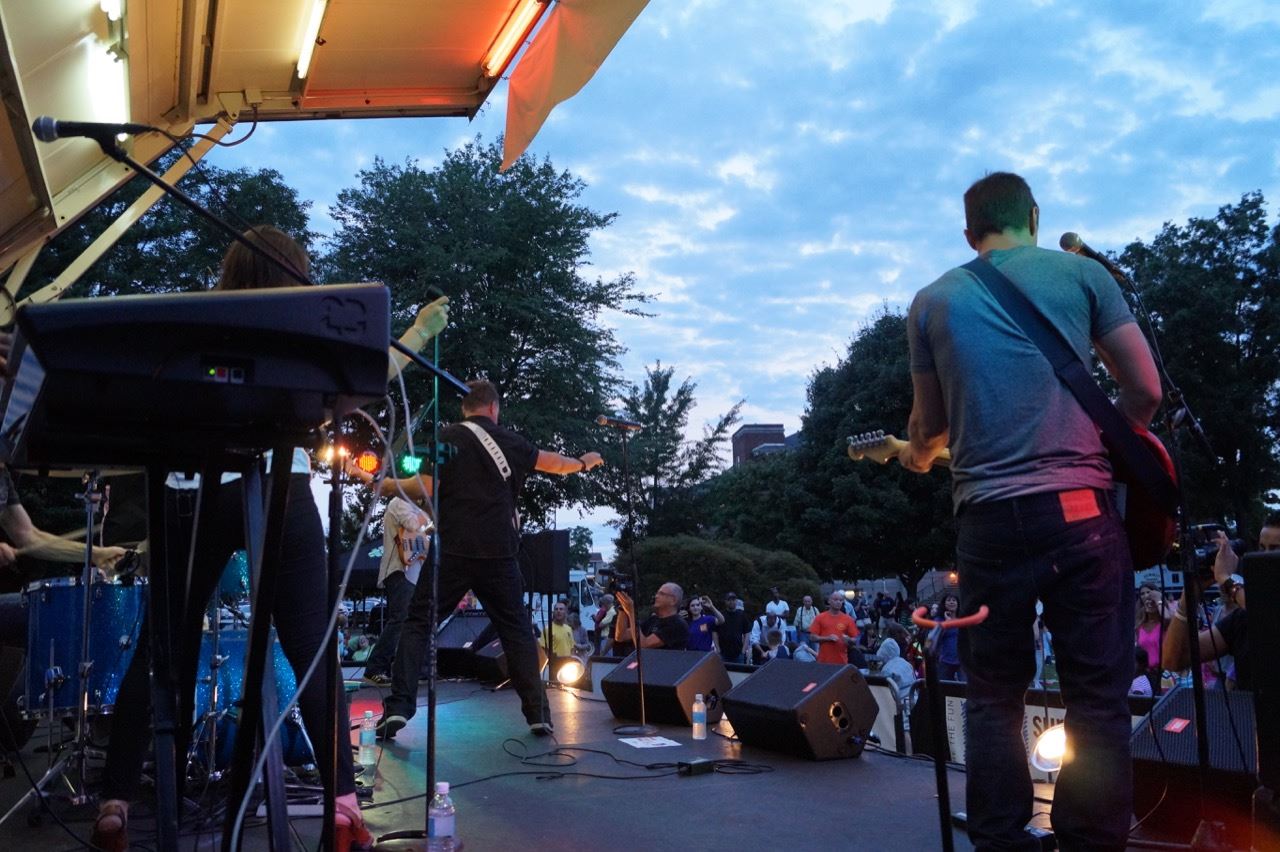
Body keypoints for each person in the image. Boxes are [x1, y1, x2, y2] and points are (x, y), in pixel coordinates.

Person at [93, 226, 448, 852]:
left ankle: (117, 799)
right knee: (311, 646)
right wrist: (417, 333)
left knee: (162, 649)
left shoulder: (194, 323)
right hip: (281, 482)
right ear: (296, 273)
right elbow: (364, 371)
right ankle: (341, 806)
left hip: (191, 488)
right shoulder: (299, 332)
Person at [899, 172, 1162, 850]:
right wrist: (1108, 450)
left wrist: (919, 453)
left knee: (993, 694)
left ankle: (999, 838)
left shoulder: (931, 302)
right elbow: (1146, 390)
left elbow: (928, 429)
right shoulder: (1084, 278)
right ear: (1035, 218)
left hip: (987, 521)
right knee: (1098, 697)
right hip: (1081, 512)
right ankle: (1089, 840)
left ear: (969, 233)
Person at [361, 380, 603, 740]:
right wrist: (583, 463)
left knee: (417, 623)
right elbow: (552, 463)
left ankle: (398, 708)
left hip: (453, 549)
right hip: (499, 552)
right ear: (493, 408)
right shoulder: (509, 441)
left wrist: (384, 483)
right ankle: (538, 715)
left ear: (465, 408)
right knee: (517, 631)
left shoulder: (447, 437)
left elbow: (425, 486)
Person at [1161, 519, 1279, 690]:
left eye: (1275, 549)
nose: (1264, 557)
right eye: (1262, 548)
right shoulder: (1242, 620)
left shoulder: (1255, 611)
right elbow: (1173, 659)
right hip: (1249, 716)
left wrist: (1225, 579)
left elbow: (1267, 615)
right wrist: (1189, 597)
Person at [360, 495, 432, 686]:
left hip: (415, 573)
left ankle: (421, 670)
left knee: (419, 618)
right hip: (399, 570)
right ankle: (374, 668)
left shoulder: (418, 507)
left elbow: (422, 536)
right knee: (399, 619)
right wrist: (429, 513)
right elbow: (412, 524)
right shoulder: (399, 502)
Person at [613, 582, 689, 651]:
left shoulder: (678, 625)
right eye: (657, 593)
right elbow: (621, 636)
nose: (656, 596)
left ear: (673, 600)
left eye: (661, 594)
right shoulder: (653, 620)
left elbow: (643, 645)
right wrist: (622, 607)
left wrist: (631, 612)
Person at [808, 591, 860, 665]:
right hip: (824, 661)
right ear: (829, 601)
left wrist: (849, 639)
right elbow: (812, 637)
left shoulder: (848, 619)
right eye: (835, 600)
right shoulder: (820, 617)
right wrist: (827, 638)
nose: (838, 602)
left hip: (842, 661)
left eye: (840, 600)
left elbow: (855, 640)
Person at [715, 592, 751, 664]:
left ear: (736, 601)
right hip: (723, 653)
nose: (731, 602)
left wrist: (743, 650)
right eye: (729, 600)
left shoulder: (742, 615)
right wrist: (718, 649)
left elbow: (747, 632)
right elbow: (714, 632)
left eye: (733, 600)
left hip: (738, 654)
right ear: (725, 601)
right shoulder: (721, 615)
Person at [935, 593, 964, 681]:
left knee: (965, 688)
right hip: (945, 660)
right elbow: (936, 638)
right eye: (949, 600)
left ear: (958, 603)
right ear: (944, 604)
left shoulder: (963, 619)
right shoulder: (939, 620)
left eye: (954, 600)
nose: (951, 602)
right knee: (945, 688)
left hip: (962, 660)